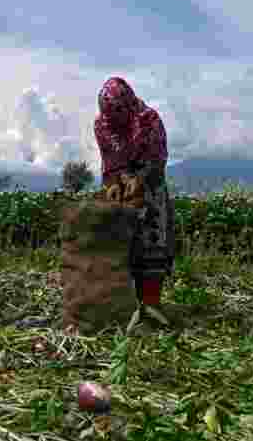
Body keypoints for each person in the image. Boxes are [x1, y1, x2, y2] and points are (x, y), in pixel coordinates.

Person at [94, 77, 175, 326]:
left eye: (120, 113)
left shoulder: (148, 119)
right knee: (118, 243)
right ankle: (124, 304)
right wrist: (114, 185)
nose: (115, 119)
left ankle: (150, 305)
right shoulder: (102, 124)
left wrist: (137, 181)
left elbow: (157, 161)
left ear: (129, 105)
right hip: (119, 183)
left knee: (152, 243)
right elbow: (109, 160)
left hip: (149, 187)